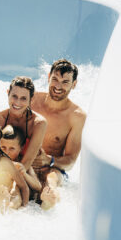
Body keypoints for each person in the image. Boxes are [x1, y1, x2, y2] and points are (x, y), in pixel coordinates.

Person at [30, 59, 87, 193]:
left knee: (50, 183)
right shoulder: (31, 100)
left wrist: (48, 160)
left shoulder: (77, 117)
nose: (58, 86)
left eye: (65, 82)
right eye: (55, 79)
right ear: (49, 77)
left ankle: (50, 197)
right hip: (25, 162)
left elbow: (71, 160)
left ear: (74, 84)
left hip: (52, 169)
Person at [0, 125, 58, 210]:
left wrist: (24, 174)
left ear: (21, 148)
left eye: (12, 149)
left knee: (16, 187)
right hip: (5, 191)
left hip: (23, 195)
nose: (7, 152)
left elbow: (38, 186)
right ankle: (5, 204)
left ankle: (46, 202)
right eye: (3, 147)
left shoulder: (23, 164)